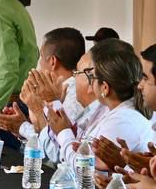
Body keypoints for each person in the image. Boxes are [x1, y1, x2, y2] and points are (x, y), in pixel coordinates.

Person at [46, 40, 151, 173]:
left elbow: (84, 171)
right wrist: (72, 133)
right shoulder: (109, 109)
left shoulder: (123, 120)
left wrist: (64, 133)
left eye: (92, 78)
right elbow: (85, 151)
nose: (90, 85)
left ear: (105, 88)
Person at [0, 28, 87, 163]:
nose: (39, 64)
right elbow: (46, 136)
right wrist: (22, 125)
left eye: (41, 57)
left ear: (53, 61)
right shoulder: (59, 91)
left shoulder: (74, 96)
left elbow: (56, 150)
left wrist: (24, 125)